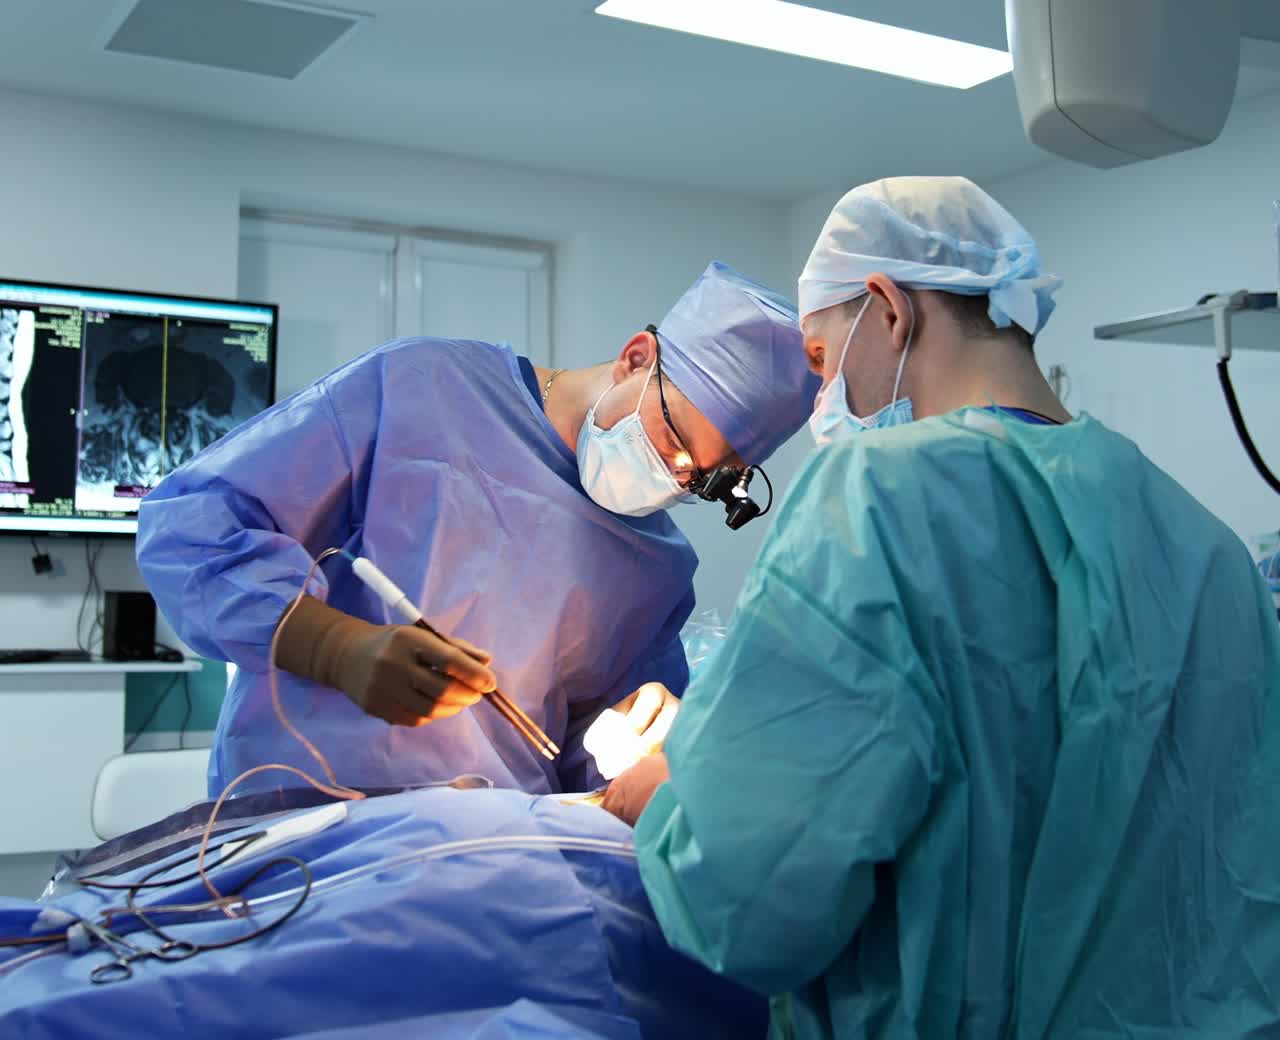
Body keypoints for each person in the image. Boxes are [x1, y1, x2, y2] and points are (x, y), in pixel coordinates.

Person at [604, 177, 1280, 1037]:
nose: (824, 405)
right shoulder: (1209, 545)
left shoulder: (876, 501)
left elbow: (748, 901)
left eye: (820, 363)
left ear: (888, 309)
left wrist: (671, 792)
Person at [136, 261, 818, 797]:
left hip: (487, 852)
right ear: (636, 357)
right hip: (304, 823)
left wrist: (646, 735)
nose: (673, 478)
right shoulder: (421, 387)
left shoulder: (657, 568)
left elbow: (581, 764)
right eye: (672, 440)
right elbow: (192, 526)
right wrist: (335, 648)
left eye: (703, 480)